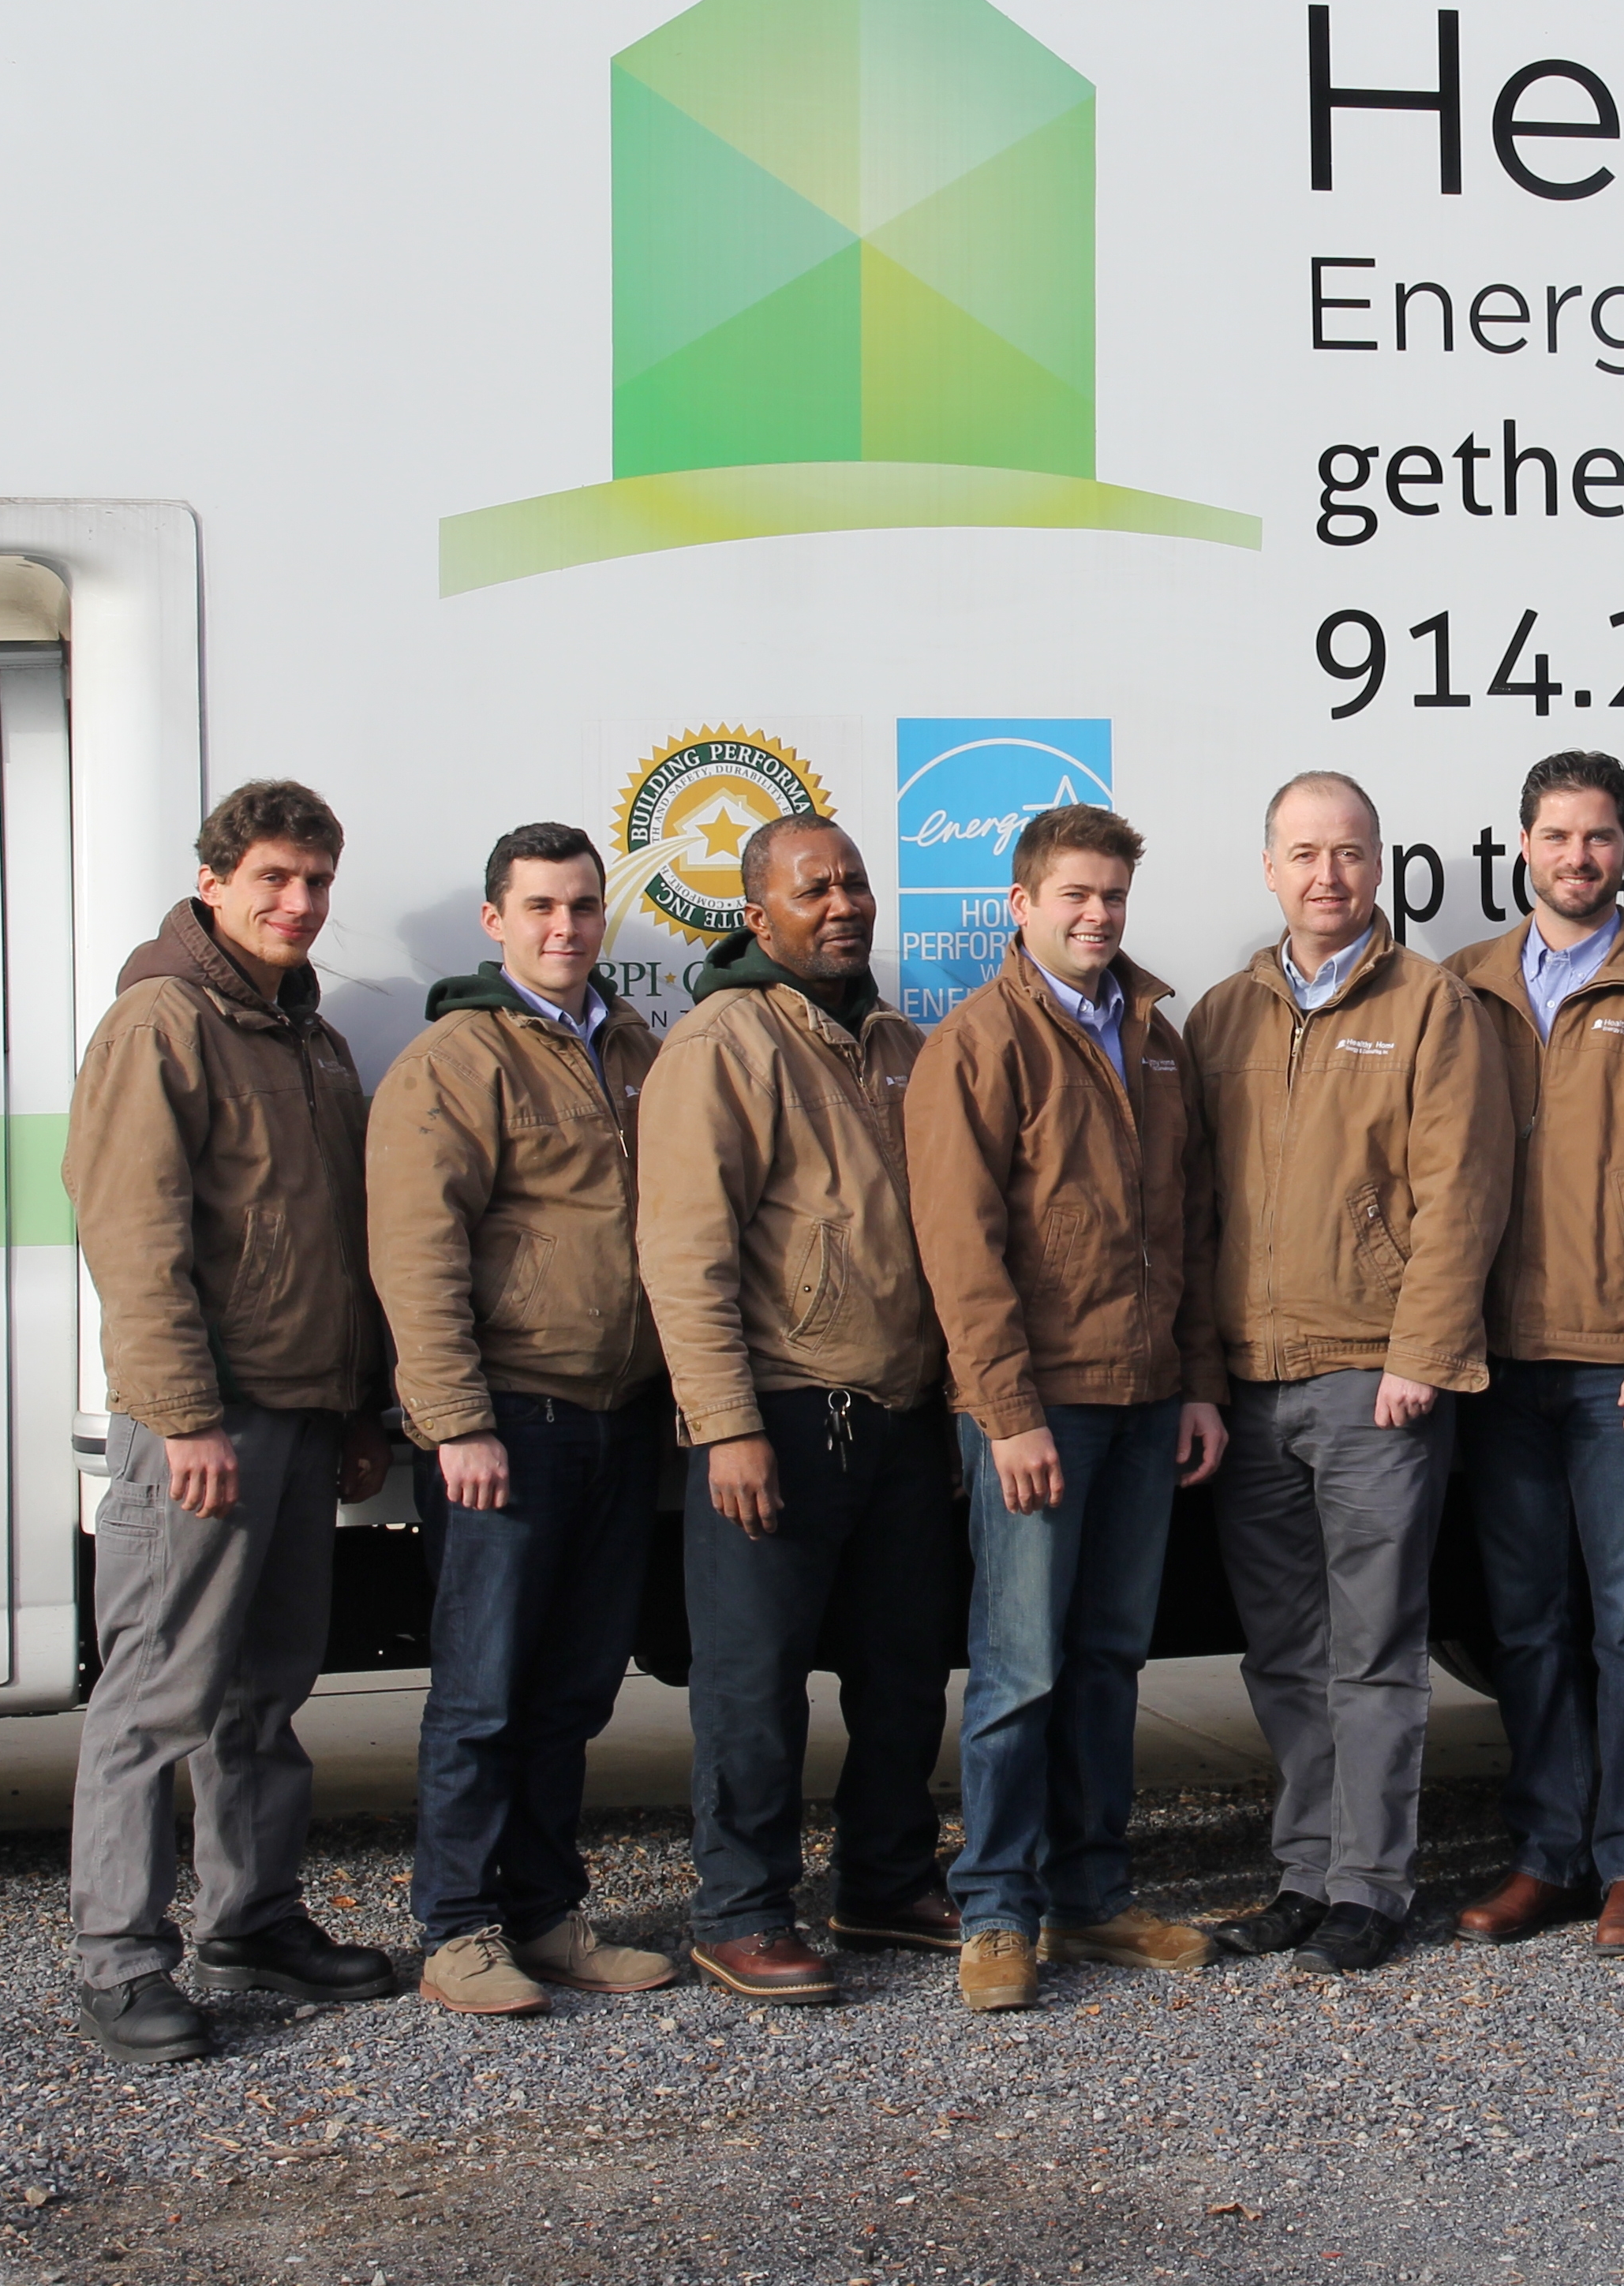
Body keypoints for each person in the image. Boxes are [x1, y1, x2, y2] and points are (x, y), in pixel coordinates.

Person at [60, 778, 398, 2068]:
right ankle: (121, 1959)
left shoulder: (302, 1034)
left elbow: (330, 1238)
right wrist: (183, 1418)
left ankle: (252, 1920)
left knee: (263, 1695)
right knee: (157, 1696)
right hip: (205, 1427)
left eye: (316, 881)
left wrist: (359, 1403)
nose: (300, 903)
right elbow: (135, 1240)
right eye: (273, 879)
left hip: (302, 1419)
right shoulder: (164, 1022)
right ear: (214, 884)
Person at [635, 813, 963, 2007]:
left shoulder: (890, 1042)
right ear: (755, 912)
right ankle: (740, 1910)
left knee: (902, 1673)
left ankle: (884, 1879)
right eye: (813, 887)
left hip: (898, 1414)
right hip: (779, 1419)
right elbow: (684, 1252)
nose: (843, 903)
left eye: (856, 883)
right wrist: (724, 1427)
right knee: (753, 1683)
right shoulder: (722, 1045)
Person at [907, 801, 1226, 2015]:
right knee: (1021, 1666)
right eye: (1075, 897)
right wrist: (1007, 1413)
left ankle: (1092, 1899)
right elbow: (961, 1248)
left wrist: (1197, 1382)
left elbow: (1186, 1225)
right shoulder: (981, 1045)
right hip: (1040, 1414)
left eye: (1113, 897)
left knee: (1106, 1662)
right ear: (1021, 905)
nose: (1097, 916)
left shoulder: (1155, 1035)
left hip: (1147, 1407)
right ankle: (999, 1908)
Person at [1188, 772, 1509, 1978]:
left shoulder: (1430, 1005)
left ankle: (1372, 1886)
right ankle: (1305, 1871)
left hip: (1377, 1384)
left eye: (1351, 853)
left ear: (1381, 867)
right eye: (1306, 853)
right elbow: (1193, 1209)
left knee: (1374, 1649)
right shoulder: (1220, 1017)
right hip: (1253, 1386)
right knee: (1282, 1651)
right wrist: (1204, 1376)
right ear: (1269, 869)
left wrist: (1421, 1355)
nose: (1330, 874)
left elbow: (1461, 1192)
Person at [370, 821, 678, 2016]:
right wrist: (454, 1424)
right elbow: (415, 1250)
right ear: (495, 922)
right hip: (508, 1422)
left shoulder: (635, 1048)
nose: (565, 929)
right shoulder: (455, 1061)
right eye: (541, 908)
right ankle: (457, 1928)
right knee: (485, 1690)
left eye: (584, 907)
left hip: (615, 1417)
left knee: (574, 1690)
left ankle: (546, 1915)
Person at [1444, 753, 1624, 1959]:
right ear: (1522, 846)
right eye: (1560, 836)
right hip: (1499, 1366)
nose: (1581, 857)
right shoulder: (1459, 988)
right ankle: (1549, 1854)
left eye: (1601, 837)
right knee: (1525, 1624)